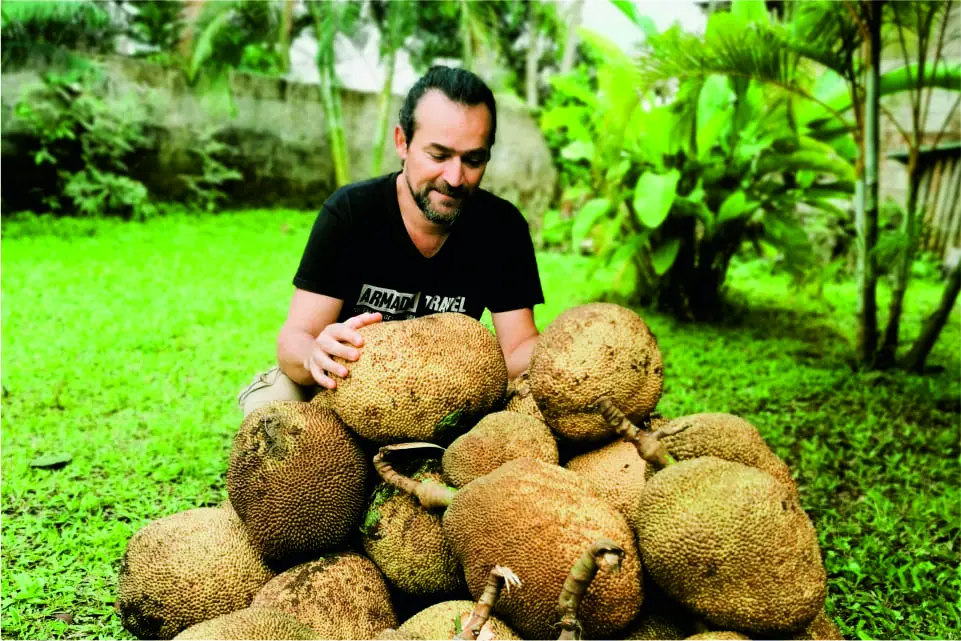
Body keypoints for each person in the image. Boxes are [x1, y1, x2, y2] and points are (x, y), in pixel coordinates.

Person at [237, 65, 545, 418]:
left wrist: (563, 358)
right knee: (270, 409)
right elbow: (295, 338)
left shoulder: (501, 228)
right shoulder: (351, 213)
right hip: (348, 385)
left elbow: (518, 347)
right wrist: (313, 354)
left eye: (473, 160)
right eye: (439, 155)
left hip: (448, 392)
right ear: (403, 142)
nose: (455, 178)